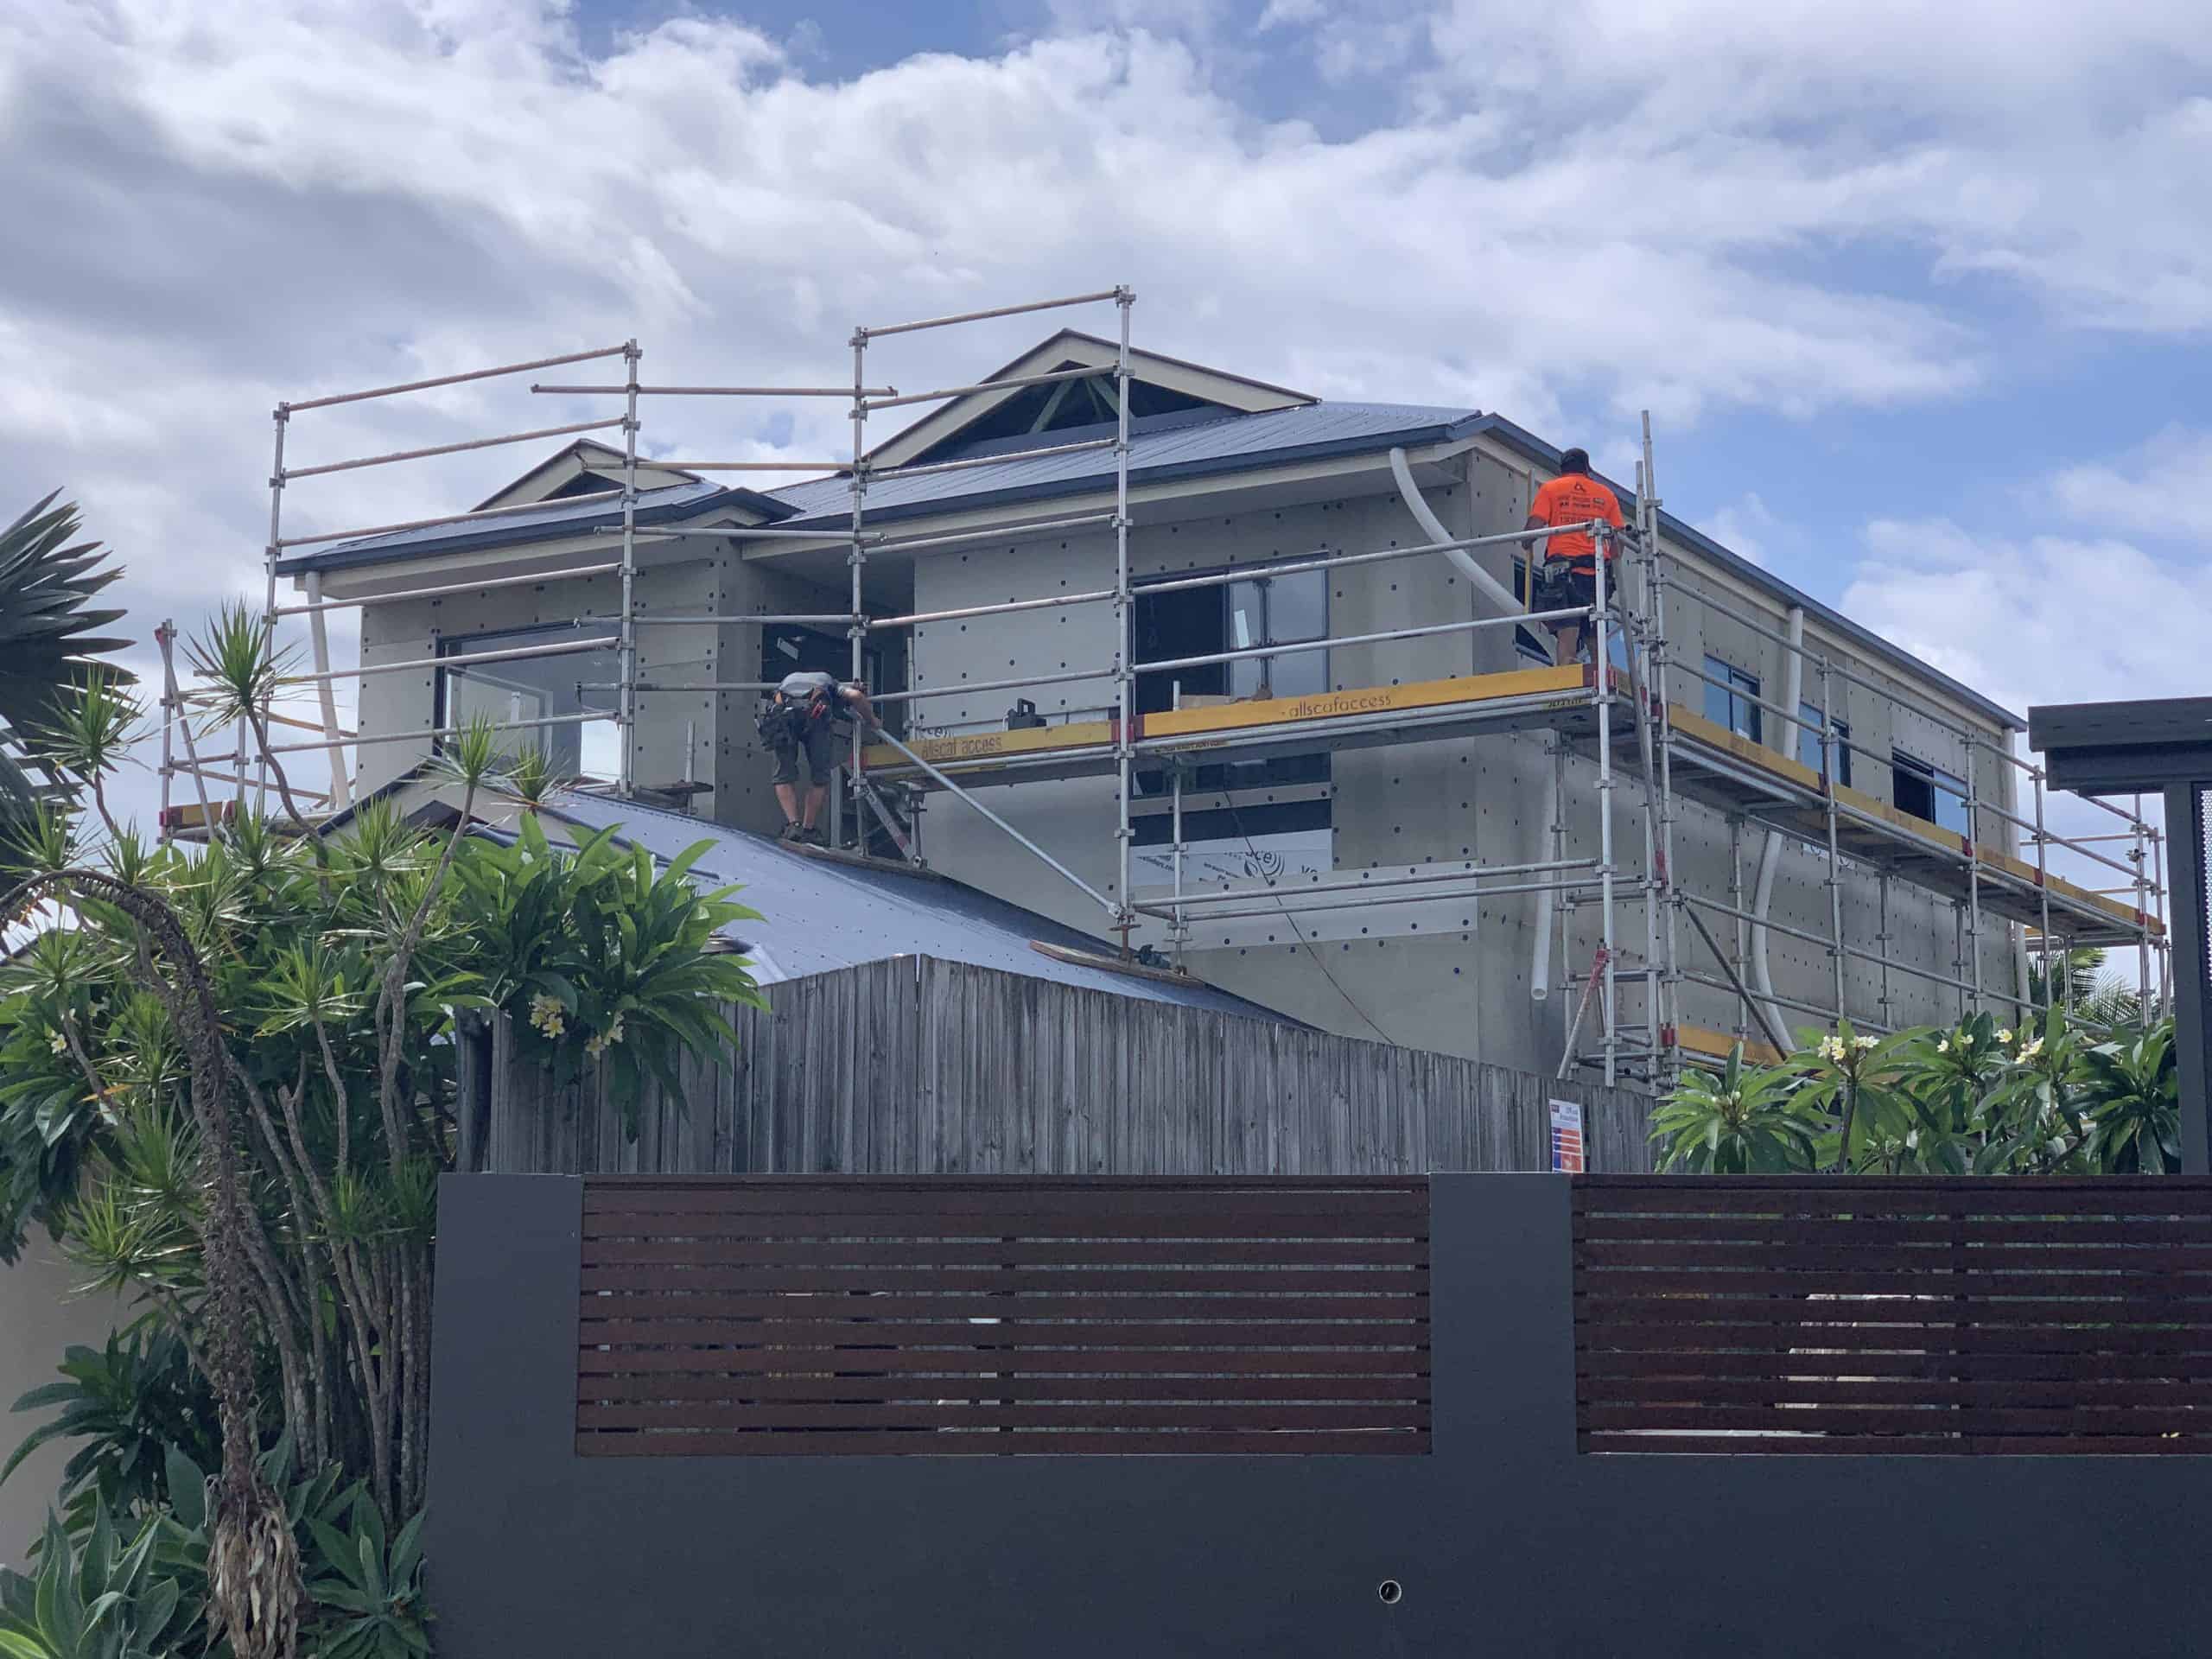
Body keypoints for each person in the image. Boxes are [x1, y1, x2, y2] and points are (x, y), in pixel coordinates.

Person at [1522, 448, 1627, 666]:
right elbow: (1618, 541)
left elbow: (1535, 525)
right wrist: (1611, 558)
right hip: (1596, 573)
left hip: (1563, 571)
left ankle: (1567, 681)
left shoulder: (1552, 489)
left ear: (1562, 469)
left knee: (1567, 632)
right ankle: (1602, 679)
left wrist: (1526, 541)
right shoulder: (1605, 495)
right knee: (1594, 635)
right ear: (1587, 469)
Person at [758, 669, 879, 846]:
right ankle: (808, 829)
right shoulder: (830, 682)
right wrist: (872, 720)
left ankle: (793, 826)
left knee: (783, 773)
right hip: (815, 714)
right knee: (820, 777)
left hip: (782, 714)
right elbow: (857, 697)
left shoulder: (788, 679)